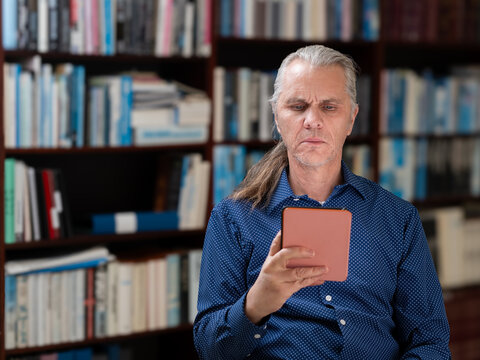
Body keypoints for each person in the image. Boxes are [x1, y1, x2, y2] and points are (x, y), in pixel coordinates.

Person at [193, 45, 451, 359]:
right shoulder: (232, 219)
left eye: (329, 107)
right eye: (298, 106)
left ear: (351, 118)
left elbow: (430, 344)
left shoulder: (398, 219)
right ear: (277, 116)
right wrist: (256, 304)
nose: (312, 120)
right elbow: (210, 349)